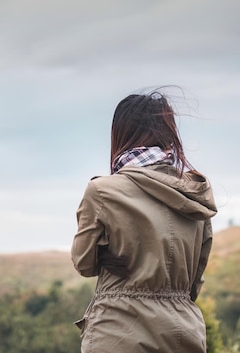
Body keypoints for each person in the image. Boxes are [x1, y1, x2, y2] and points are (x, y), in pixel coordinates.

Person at [71, 90, 217, 352]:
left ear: (121, 134)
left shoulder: (103, 191)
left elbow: (84, 263)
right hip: (184, 332)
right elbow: (195, 280)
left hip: (118, 330)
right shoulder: (195, 194)